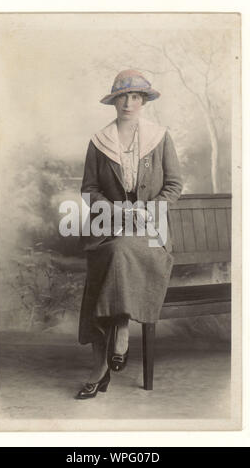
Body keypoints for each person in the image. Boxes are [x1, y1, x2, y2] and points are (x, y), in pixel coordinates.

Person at [76, 69, 183, 399]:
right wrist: (115, 209)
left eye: (136, 96)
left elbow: (174, 186)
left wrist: (147, 210)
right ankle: (117, 332)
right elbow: (88, 190)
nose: (129, 102)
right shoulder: (99, 141)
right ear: (114, 101)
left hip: (150, 235)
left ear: (144, 101)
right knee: (112, 256)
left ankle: (100, 368)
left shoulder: (159, 137)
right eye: (123, 96)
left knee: (117, 255)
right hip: (108, 229)